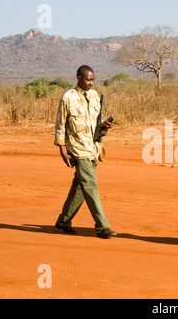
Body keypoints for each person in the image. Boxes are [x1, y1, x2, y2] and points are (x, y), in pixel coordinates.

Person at [54, 65, 117, 239]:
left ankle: (63, 221)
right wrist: (62, 151)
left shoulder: (95, 96)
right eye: (88, 79)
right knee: (90, 186)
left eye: (93, 80)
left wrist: (105, 126)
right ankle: (102, 227)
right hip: (78, 149)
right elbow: (60, 125)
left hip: (93, 148)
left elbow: (97, 122)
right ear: (78, 78)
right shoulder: (68, 97)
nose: (90, 83)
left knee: (80, 187)